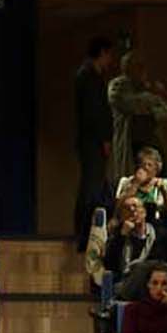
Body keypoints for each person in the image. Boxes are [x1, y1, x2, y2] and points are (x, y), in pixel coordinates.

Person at [73, 36, 118, 231]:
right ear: (102, 53)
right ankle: (83, 229)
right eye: (109, 55)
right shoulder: (87, 75)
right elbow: (94, 112)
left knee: (94, 184)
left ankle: (87, 227)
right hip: (92, 141)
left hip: (94, 140)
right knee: (90, 185)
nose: (111, 60)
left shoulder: (94, 75)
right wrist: (104, 139)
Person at [108, 49, 167, 190]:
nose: (141, 71)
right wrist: (149, 100)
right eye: (137, 66)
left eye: (142, 67)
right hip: (129, 142)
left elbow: (165, 111)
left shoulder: (149, 87)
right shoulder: (118, 85)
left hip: (150, 140)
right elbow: (128, 103)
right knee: (130, 180)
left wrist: (150, 107)